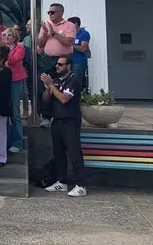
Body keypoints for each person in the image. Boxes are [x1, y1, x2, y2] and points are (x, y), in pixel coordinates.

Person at [42, 55, 88, 197]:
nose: (57, 66)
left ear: (68, 66)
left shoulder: (73, 80)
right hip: (57, 120)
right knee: (58, 153)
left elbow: (64, 99)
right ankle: (61, 182)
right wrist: (48, 89)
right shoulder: (56, 80)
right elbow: (45, 99)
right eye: (57, 64)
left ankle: (81, 185)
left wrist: (51, 86)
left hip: (70, 121)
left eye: (61, 64)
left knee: (74, 153)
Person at [2, 28, 27, 152]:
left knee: (15, 111)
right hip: (3, 80)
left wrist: (3, 54)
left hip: (15, 80)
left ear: (15, 37)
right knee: (5, 111)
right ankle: (4, 141)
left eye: (9, 35)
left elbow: (13, 60)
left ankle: (17, 143)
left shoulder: (19, 48)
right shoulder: (1, 48)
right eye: (4, 35)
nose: (6, 37)